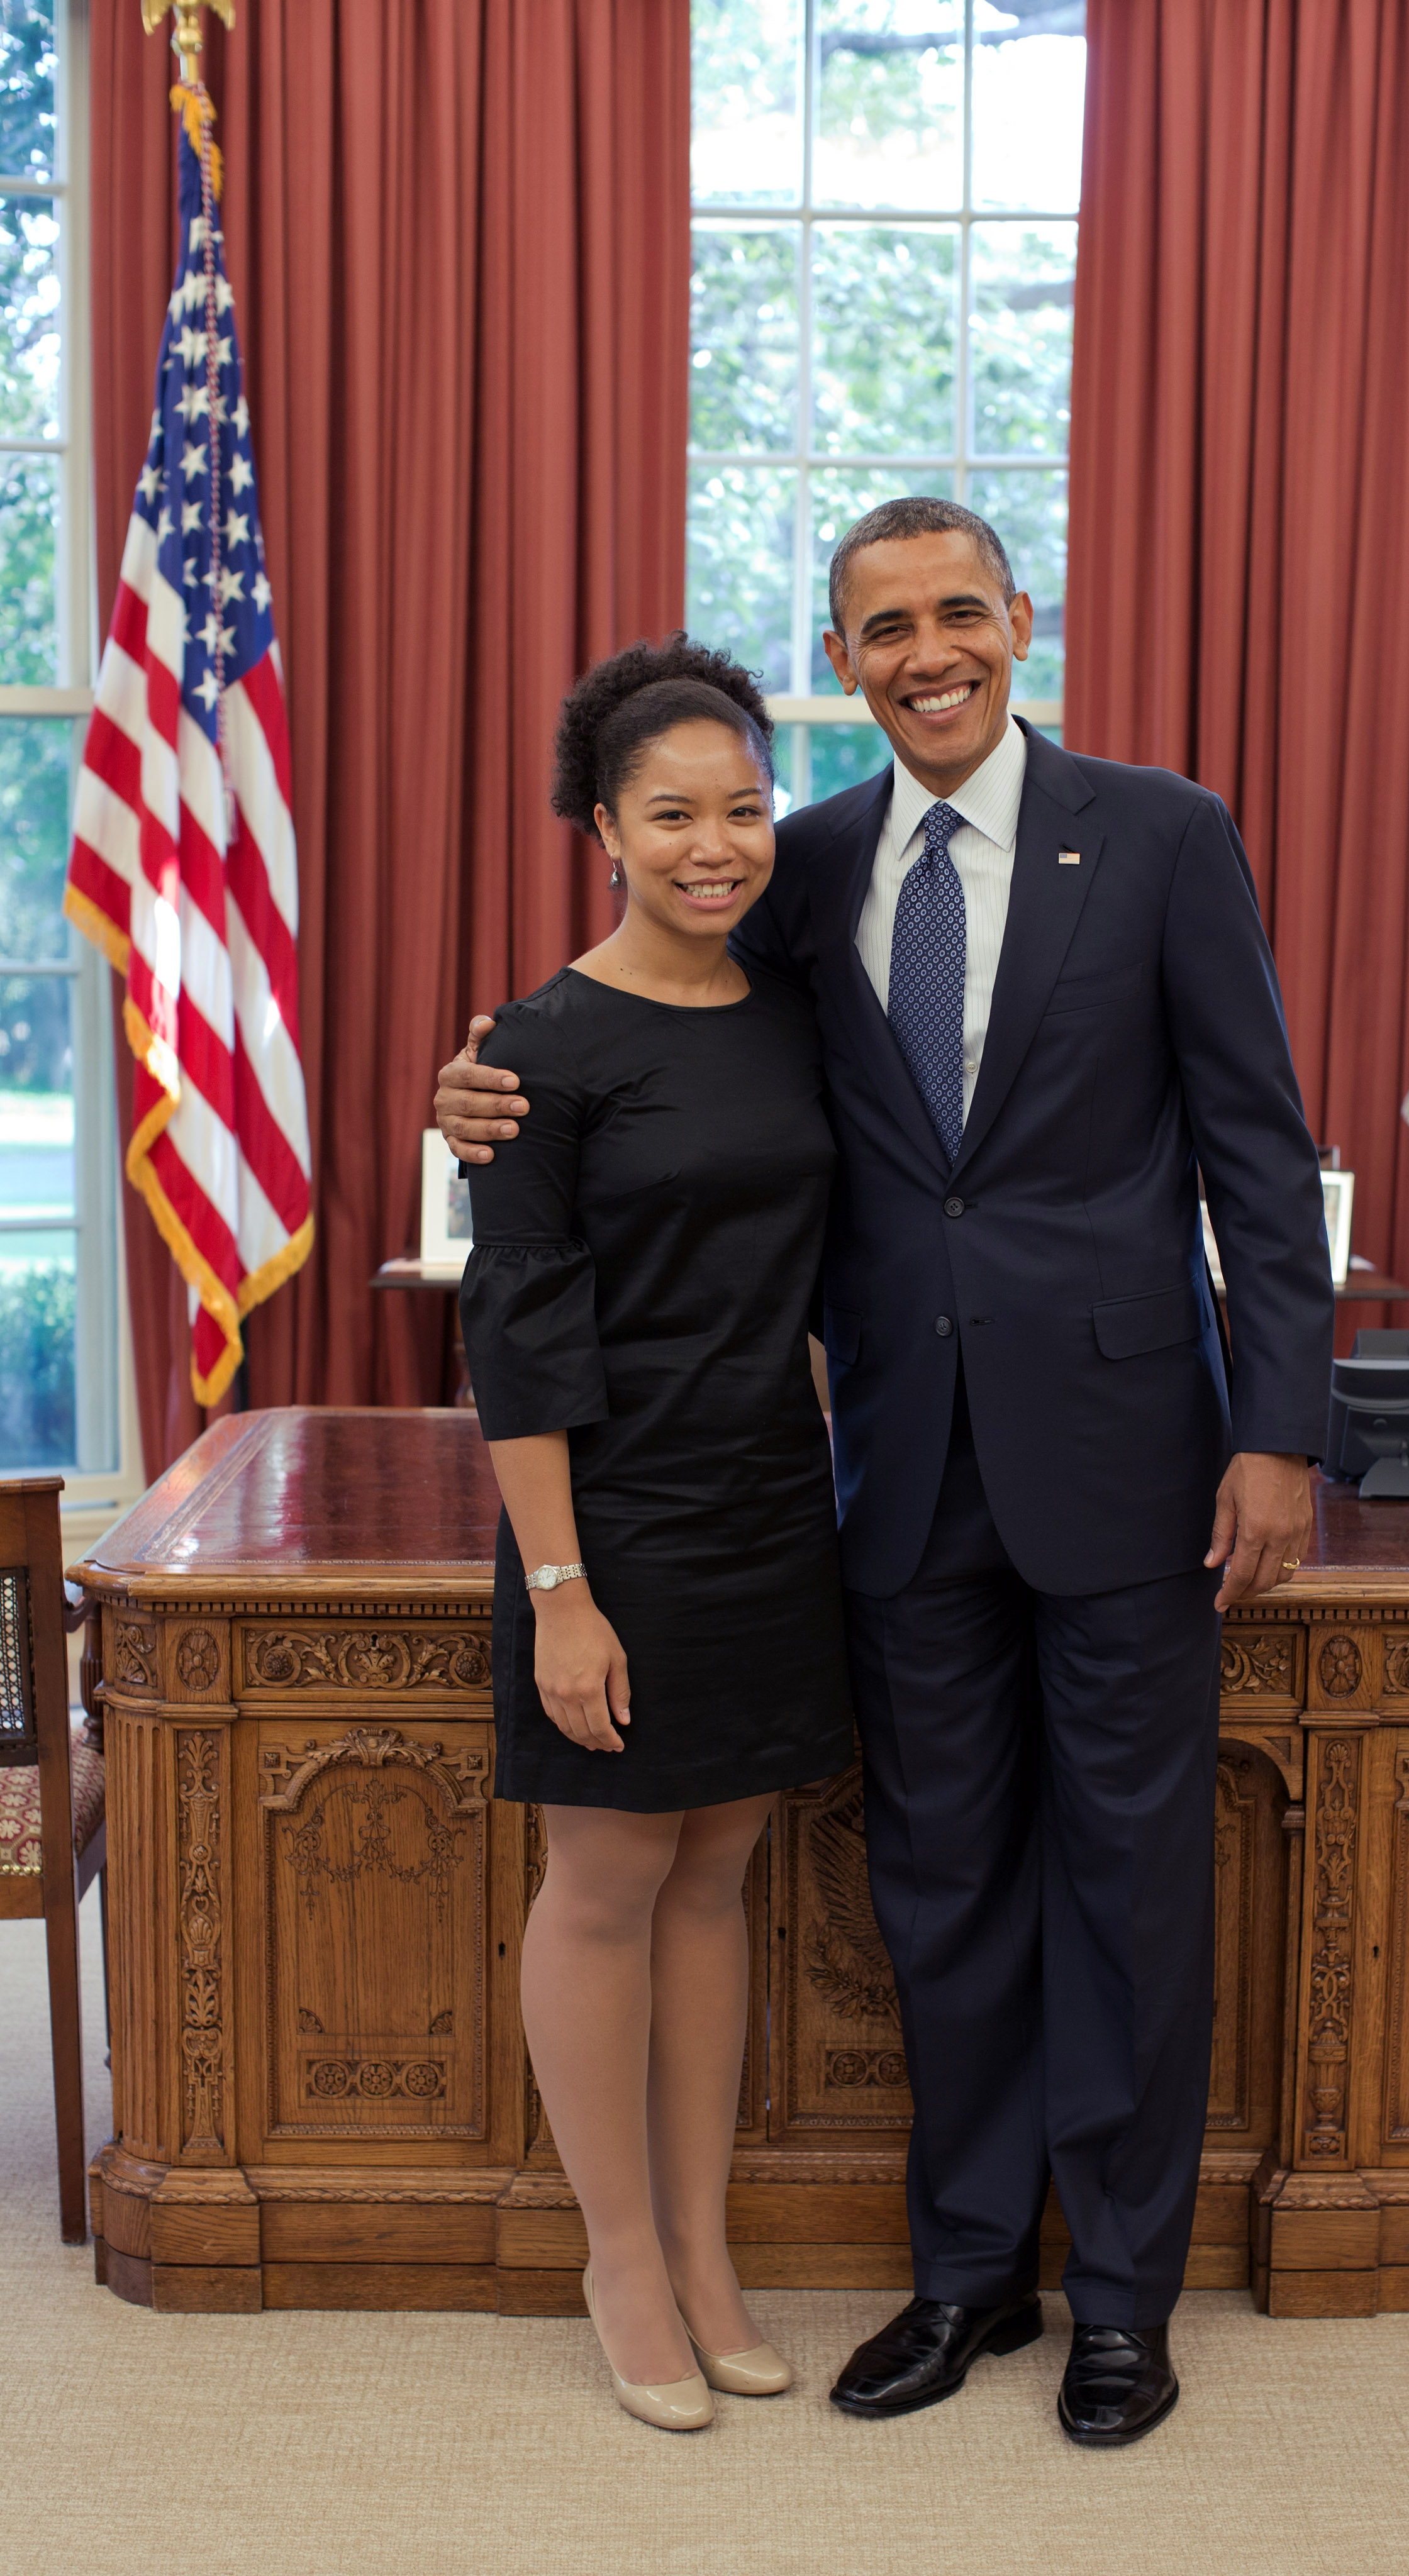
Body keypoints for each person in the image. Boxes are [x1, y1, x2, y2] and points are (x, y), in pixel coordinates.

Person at [438, 499, 1334, 2449]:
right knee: (936, 1887)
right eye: (879, 629)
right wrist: (479, 1089)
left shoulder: (1164, 835)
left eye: (955, 614)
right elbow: (643, 1025)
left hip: (1130, 1461)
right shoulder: (798, 857)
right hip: (889, 1474)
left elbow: (1258, 1157)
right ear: (838, 661)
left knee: (1124, 1888)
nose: (924, 652)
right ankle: (960, 2281)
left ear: (1020, 621)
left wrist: (1279, 1429)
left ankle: (1117, 2298)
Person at [457, 636, 854, 2433]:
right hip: (608, 1519)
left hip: (776, 1505)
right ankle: (616, 2255)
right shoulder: (538, 1047)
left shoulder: (798, 1002)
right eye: (673, 814)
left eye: (745, 808)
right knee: (605, 1887)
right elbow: (517, 1329)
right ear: (603, 828)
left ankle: (705, 2251)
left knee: (718, 1883)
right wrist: (557, 1594)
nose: (717, 844)